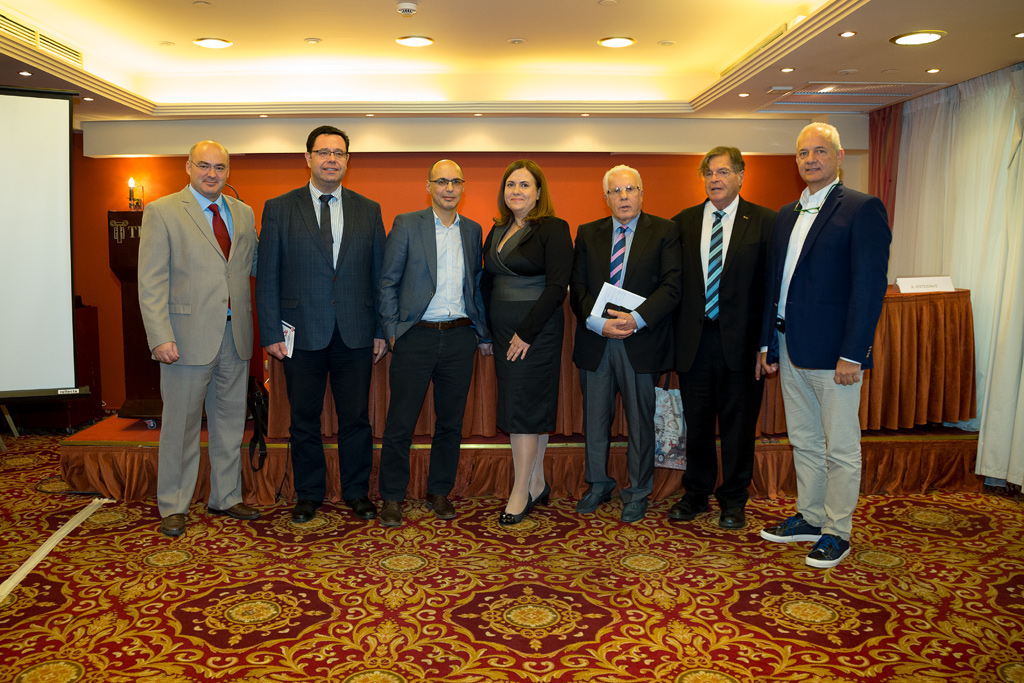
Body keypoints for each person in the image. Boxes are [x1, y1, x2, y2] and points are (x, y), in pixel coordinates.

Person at [758, 123, 891, 568]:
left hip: (836, 356)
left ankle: (838, 531)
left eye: (820, 151)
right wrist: (767, 343)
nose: (811, 159)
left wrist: (853, 353)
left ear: (839, 156)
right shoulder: (786, 214)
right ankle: (811, 517)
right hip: (789, 344)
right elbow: (775, 284)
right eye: (803, 153)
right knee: (805, 440)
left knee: (841, 447)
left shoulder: (862, 208)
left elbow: (868, 287)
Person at [255, 125, 387, 524]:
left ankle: (357, 492)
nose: (332, 159)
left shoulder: (369, 209)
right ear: (308, 158)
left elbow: (379, 276)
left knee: (356, 420)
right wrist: (270, 332)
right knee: (303, 420)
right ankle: (309, 494)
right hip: (300, 333)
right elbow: (268, 276)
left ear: (348, 160)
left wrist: (381, 329)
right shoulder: (279, 208)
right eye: (324, 152)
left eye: (339, 153)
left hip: (356, 332)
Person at [138, 140, 261, 537]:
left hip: (235, 335)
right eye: (204, 165)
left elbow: (251, 266)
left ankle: (226, 496)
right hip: (184, 339)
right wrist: (160, 336)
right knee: (181, 427)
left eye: (220, 167)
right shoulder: (163, 211)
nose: (212, 174)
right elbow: (151, 280)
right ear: (188, 167)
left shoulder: (243, 212)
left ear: (228, 171)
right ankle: (174, 504)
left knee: (230, 423)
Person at [376, 160, 493, 527]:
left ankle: (439, 491)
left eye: (455, 181)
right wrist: (393, 331)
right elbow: (388, 281)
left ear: (463, 186)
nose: (448, 188)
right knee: (400, 423)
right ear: (428, 186)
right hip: (416, 336)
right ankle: (392, 496)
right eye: (441, 181)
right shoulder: (407, 224)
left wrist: (481, 332)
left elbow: (475, 284)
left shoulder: (472, 230)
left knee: (451, 423)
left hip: (459, 337)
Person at [669, 147, 777, 529]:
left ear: (741, 176)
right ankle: (696, 494)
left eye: (724, 172)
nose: (715, 179)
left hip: (742, 346)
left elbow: (771, 289)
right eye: (709, 173)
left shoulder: (765, 221)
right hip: (694, 344)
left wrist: (767, 345)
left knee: (738, 427)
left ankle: (733, 499)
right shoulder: (682, 222)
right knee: (696, 425)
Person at [570, 165, 681, 522]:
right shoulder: (588, 233)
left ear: (641, 193)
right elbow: (578, 287)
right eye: (615, 191)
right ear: (606, 197)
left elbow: (672, 287)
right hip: (597, 341)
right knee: (595, 420)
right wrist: (598, 323)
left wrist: (636, 319)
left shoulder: (665, 231)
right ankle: (598, 484)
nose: (623, 197)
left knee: (640, 422)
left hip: (641, 340)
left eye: (630, 189)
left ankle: (638, 490)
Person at [481, 160, 573, 526]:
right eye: (510, 185)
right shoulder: (497, 229)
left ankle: (519, 491)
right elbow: (487, 283)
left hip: (536, 332)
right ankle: (536, 482)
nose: (516, 191)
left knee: (523, 408)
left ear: (538, 192)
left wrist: (526, 333)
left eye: (524, 185)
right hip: (504, 331)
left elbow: (557, 287)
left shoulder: (554, 228)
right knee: (527, 406)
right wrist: (488, 329)